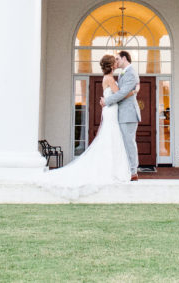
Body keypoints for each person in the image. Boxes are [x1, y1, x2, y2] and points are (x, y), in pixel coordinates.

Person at [38, 54, 132, 195]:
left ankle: (109, 168)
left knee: (109, 137)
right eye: (115, 63)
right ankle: (110, 170)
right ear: (112, 66)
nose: (116, 64)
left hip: (109, 110)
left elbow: (112, 96)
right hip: (111, 111)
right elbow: (120, 94)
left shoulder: (106, 78)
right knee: (111, 137)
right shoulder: (110, 79)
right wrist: (133, 92)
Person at [102, 50, 140, 181]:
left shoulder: (131, 74)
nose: (116, 62)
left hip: (128, 114)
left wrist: (106, 101)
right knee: (122, 143)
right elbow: (120, 92)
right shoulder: (122, 74)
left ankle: (133, 172)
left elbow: (122, 93)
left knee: (129, 143)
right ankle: (126, 170)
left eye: (117, 59)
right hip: (120, 113)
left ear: (124, 58)